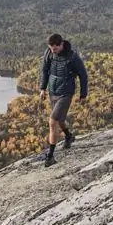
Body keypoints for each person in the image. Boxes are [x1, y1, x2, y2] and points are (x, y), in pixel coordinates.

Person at [39, 33, 88, 167]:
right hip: (53, 91)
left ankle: (50, 156)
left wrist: (83, 94)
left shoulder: (72, 57)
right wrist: (42, 88)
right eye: (51, 48)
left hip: (66, 93)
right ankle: (68, 136)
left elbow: (83, 75)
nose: (53, 51)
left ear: (61, 44)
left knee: (52, 121)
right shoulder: (49, 53)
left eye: (55, 48)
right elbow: (45, 70)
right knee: (60, 120)